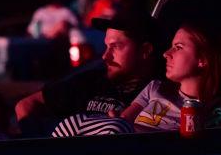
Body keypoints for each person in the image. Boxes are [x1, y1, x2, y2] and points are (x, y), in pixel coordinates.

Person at [15, 8, 160, 136]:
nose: (105, 56)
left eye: (115, 46)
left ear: (146, 50)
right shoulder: (89, 81)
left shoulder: (161, 94)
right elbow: (26, 105)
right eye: (106, 46)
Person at [114, 23, 221, 132]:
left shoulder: (215, 111)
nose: (166, 54)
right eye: (171, 46)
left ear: (202, 60)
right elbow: (124, 122)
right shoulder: (155, 87)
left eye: (178, 47)